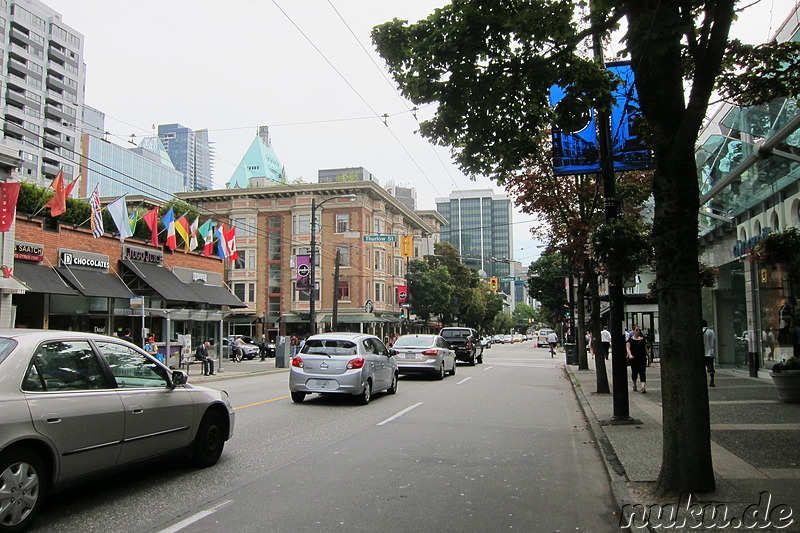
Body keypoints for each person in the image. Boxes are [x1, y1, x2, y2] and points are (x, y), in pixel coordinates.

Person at [626, 325, 649, 393]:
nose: (638, 331)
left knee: (642, 372)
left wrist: (648, 356)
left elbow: (645, 349)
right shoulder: (630, 340)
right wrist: (630, 355)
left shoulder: (642, 340)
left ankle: (643, 387)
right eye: (637, 330)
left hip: (642, 358)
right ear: (633, 331)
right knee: (634, 372)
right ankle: (634, 384)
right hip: (634, 358)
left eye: (639, 330)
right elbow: (628, 348)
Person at [702, 319, 716, 387]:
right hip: (711, 352)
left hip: (703, 352)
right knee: (710, 367)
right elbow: (714, 340)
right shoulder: (711, 332)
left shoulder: (700, 331)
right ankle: (712, 381)